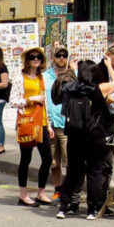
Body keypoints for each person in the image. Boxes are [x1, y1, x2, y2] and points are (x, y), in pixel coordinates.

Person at [53, 56, 114, 219]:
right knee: (95, 172)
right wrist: (109, 66)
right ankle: (91, 210)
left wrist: (74, 68)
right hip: (94, 134)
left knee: (73, 172)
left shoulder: (69, 88)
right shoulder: (99, 88)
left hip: (74, 134)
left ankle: (63, 207)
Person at [9, 46, 54, 207]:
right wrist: (30, 99)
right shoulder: (20, 77)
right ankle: (23, 194)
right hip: (27, 122)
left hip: (41, 123)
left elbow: (45, 102)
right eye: (32, 57)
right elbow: (12, 101)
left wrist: (48, 124)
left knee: (48, 158)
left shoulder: (42, 77)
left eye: (38, 57)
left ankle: (41, 192)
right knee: (25, 158)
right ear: (27, 60)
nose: (36, 59)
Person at [44, 43, 74, 201]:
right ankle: (58, 189)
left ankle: (69, 191)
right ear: (52, 57)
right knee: (53, 160)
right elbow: (43, 99)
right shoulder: (46, 76)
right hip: (50, 123)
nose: (61, 58)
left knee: (68, 160)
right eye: (58, 55)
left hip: (66, 123)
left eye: (64, 55)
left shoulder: (72, 75)